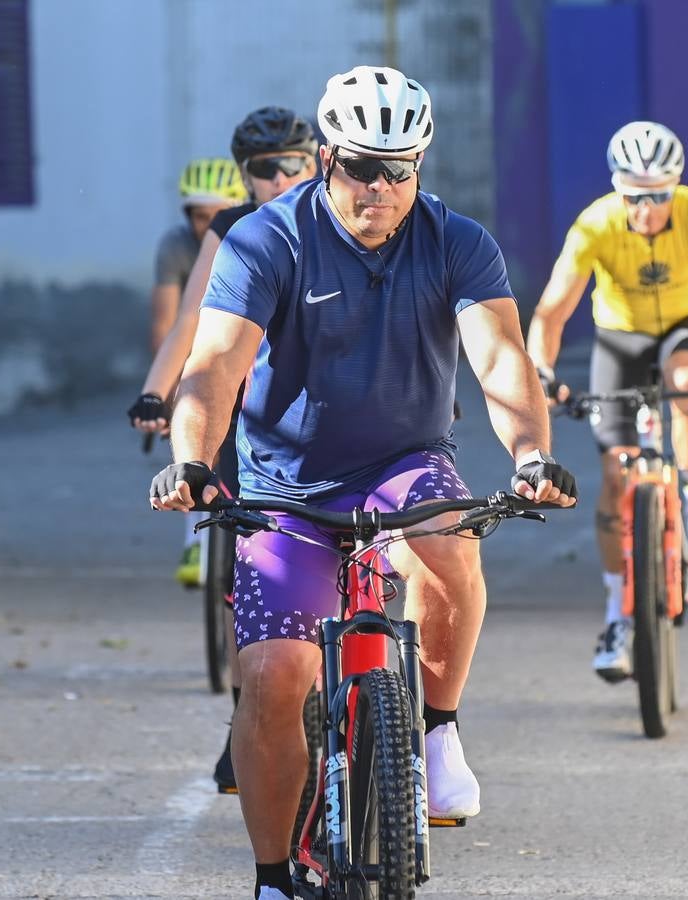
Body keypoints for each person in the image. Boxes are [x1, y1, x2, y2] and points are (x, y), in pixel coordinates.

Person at [148, 66, 576, 900]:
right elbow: (213, 367)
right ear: (324, 159)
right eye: (359, 167)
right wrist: (195, 459)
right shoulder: (265, 240)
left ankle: (439, 731)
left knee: (450, 541)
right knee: (273, 676)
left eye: (399, 169)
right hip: (285, 487)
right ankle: (274, 876)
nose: (378, 188)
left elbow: (499, 360)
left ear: (420, 166)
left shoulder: (458, 241)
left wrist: (529, 456)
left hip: (403, 461)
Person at [527, 121, 688, 684]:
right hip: (621, 338)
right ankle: (618, 615)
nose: (647, 209)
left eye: (660, 195)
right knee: (616, 477)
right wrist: (541, 369)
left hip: (685, 324)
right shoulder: (595, 224)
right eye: (635, 197)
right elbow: (552, 310)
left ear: (676, 187)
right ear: (618, 190)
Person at [129, 108, 320, 794]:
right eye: (264, 170)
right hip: (252, 416)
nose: (280, 179)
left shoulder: (346, 217)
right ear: (244, 178)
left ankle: (398, 723)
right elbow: (189, 324)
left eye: (293, 164)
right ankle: (250, 711)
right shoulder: (232, 229)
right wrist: (157, 392)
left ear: (319, 160)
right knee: (255, 579)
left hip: (332, 414)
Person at [149, 157, 245, 585]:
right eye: (198, 216)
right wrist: (170, 393)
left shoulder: (252, 235)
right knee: (193, 452)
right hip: (198, 350)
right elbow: (167, 324)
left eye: (215, 215)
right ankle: (196, 539)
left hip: (244, 348)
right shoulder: (175, 247)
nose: (207, 226)